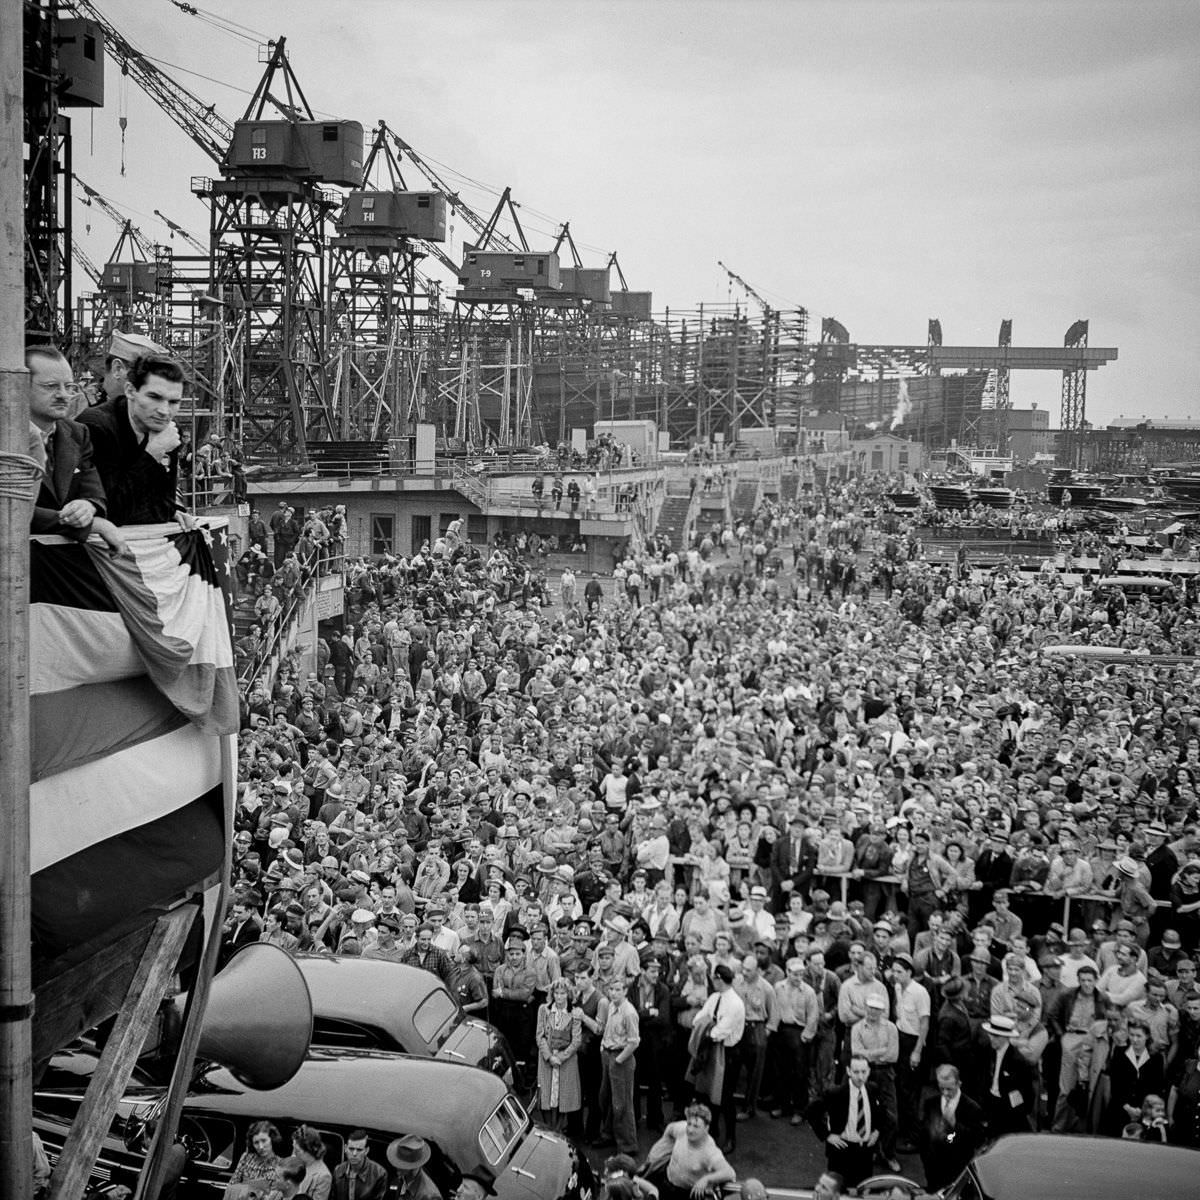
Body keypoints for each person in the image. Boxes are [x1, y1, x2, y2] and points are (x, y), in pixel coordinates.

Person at [26, 345, 126, 554]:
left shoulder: (77, 433)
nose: (63, 395)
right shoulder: (7, 439)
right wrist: (90, 524)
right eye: (51, 386)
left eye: (69, 387)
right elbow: (10, 509)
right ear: (21, 386)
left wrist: (87, 506)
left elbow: (94, 491)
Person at [77, 352, 195, 528]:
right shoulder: (96, 427)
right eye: (154, 397)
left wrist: (172, 510)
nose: (164, 411)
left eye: (173, 402)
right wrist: (151, 455)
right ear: (130, 391)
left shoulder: (168, 428)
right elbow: (111, 511)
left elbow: (163, 508)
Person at [808, 1055, 891, 1189]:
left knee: (862, 1190)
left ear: (869, 1071)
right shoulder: (836, 1093)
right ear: (848, 1071)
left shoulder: (873, 1089)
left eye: (864, 1072)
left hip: (864, 1153)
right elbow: (811, 1111)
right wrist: (827, 1135)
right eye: (856, 1072)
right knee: (836, 1190)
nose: (860, 1077)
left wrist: (877, 1131)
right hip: (842, 1152)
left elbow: (882, 1113)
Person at [639, 1103, 735, 1200]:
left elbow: (729, 1172)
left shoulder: (710, 1151)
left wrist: (706, 1180)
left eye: (696, 1126)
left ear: (706, 1128)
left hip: (685, 1193)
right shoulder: (681, 1128)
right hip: (665, 1182)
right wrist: (661, 1148)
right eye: (689, 1124)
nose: (690, 1130)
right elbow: (670, 1128)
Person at [917, 1064, 986, 1190]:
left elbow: (977, 1140)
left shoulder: (972, 1108)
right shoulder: (931, 1104)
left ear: (958, 1084)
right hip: (933, 1171)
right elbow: (924, 1135)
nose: (945, 1093)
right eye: (941, 1088)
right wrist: (926, 1160)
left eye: (949, 1089)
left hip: (957, 1172)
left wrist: (955, 1124)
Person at [598, 976, 642, 1155]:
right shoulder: (611, 1006)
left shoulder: (629, 1012)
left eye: (618, 990)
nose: (614, 993)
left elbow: (634, 1042)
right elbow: (608, 1029)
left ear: (625, 991)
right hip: (608, 1054)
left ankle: (628, 1145)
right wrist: (603, 1046)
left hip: (621, 1059)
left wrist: (618, 1060)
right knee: (606, 1098)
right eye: (611, 989)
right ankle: (608, 1135)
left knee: (621, 1104)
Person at [536, 977, 583, 1131]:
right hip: (546, 1059)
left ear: (568, 994)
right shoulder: (544, 1009)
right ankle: (549, 1129)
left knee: (563, 1098)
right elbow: (539, 1035)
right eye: (557, 993)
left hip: (566, 1061)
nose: (560, 996)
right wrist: (549, 1057)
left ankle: (559, 1130)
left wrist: (560, 1058)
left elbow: (576, 1041)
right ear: (552, 994)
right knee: (547, 1097)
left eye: (563, 993)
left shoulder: (574, 1013)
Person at [980, 1015, 1037, 1136]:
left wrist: (1017, 1111)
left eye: (996, 1036)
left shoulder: (1018, 1061)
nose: (991, 1039)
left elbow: (1027, 1093)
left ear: (1006, 1038)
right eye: (990, 1034)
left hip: (1009, 1110)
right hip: (991, 1104)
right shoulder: (987, 1051)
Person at [331, 1130, 388, 1200]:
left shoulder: (379, 1173)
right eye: (351, 1149)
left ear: (366, 1151)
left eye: (359, 1150)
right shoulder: (338, 1170)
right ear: (345, 1148)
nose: (354, 1154)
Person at [386, 1136, 441, 1200]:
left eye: (402, 1165)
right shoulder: (403, 1176)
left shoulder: (429, 1195)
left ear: (414, 1166)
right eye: (397, 1162)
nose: (396, 1167)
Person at [230, 1120, 282, 1187]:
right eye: (256, 1143)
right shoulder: (246, 1158)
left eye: (264, 1141)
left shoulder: (281, 1165)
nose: (261, 1147)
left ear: (272, 1139)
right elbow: (232, 1184)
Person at [291, 1124, 332, 1200]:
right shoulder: (295, 1162)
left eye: (297, 1151)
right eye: (293, 1149)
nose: (294, 1154)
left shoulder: (323, 1176)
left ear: (310, 1150)